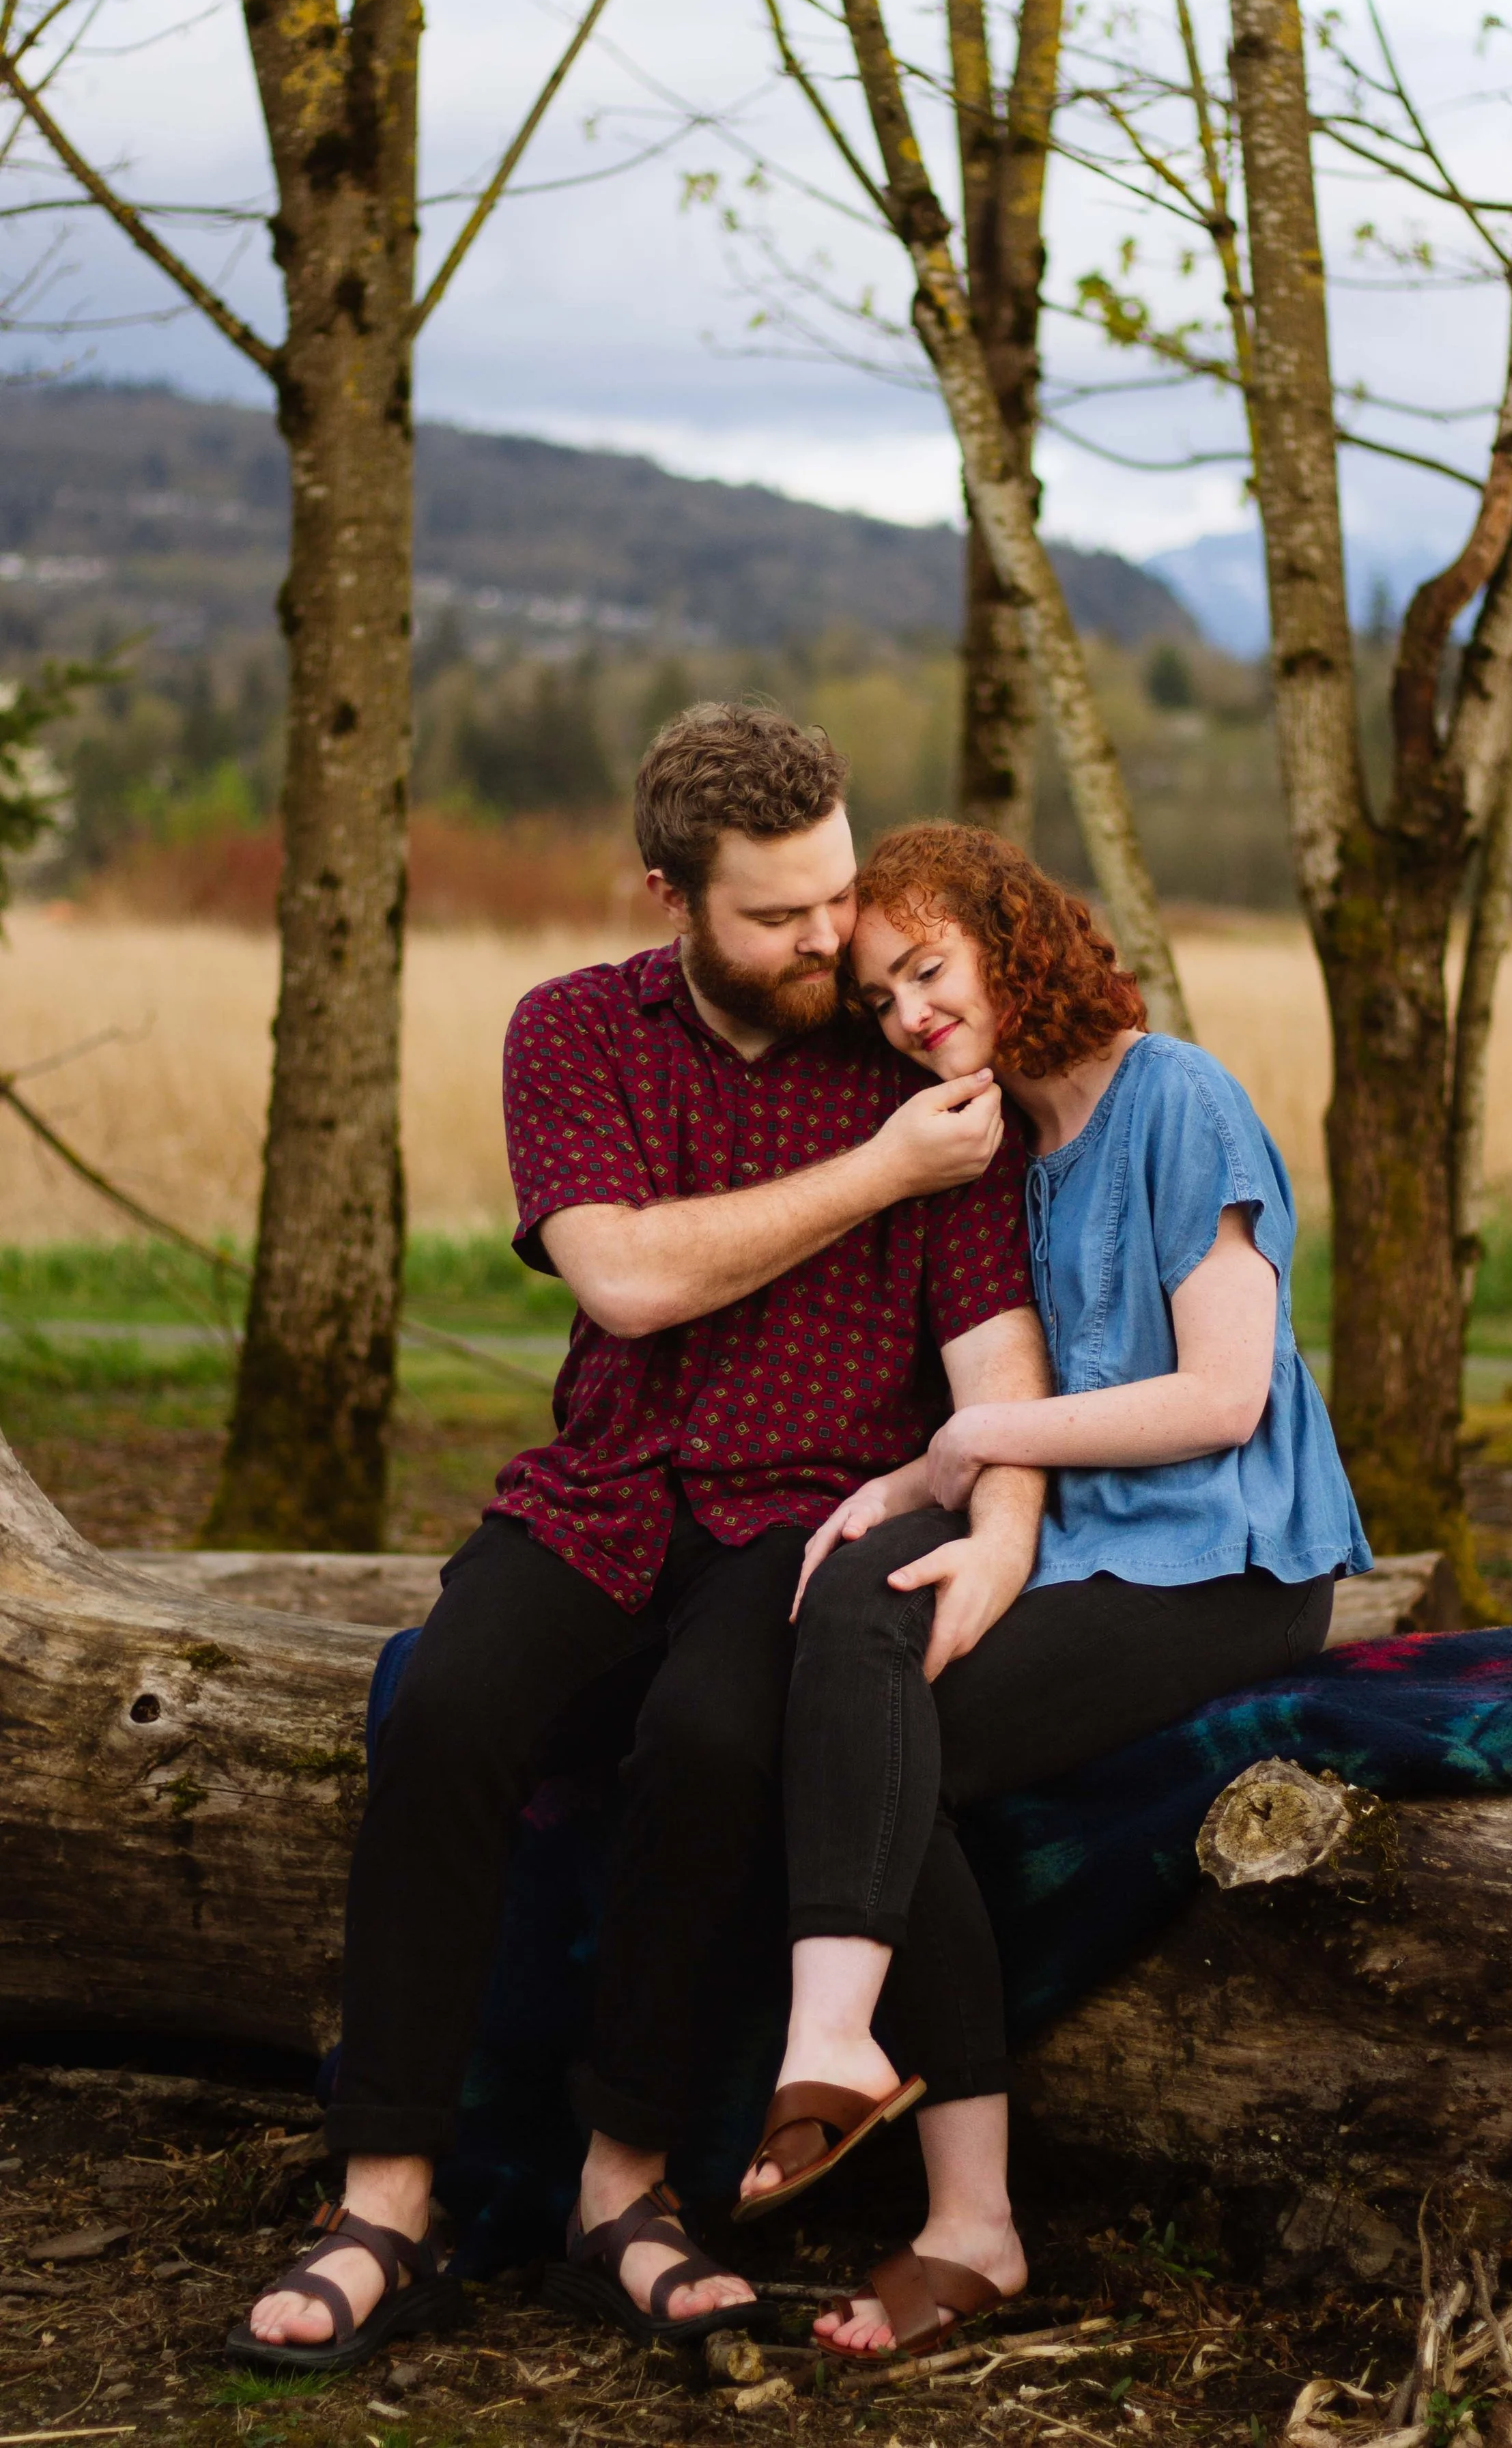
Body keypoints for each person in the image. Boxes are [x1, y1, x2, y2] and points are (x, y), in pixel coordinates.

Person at [232, 714, 1049, 2373]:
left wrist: (998, 1520)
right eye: (777, 916)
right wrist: (870, 1174)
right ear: (669, 893)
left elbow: (995, 1361)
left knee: (715, 1738)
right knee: (445, 1705)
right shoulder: (575, 1030)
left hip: (803, 1515)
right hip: (605, 1486)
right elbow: (624, 1279)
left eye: (835, 894)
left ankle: (625, 2185)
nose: (830, 939)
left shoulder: (913, 1050)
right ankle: (383, 2199)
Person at [729, 821, 1371, 2360]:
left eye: (928, 971)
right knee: (853, 1619)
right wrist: (896, 1490)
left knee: (907, 1757)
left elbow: (1219, 1398)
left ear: (1011, 939)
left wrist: (974, 1439)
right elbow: (992, 1411)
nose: (909, 1017)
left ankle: (965, 2214)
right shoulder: (998, 1148)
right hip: (1083, 1541)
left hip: (1223, 1561)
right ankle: (848, 2067)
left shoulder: (1178, 1099)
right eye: (881, 999)